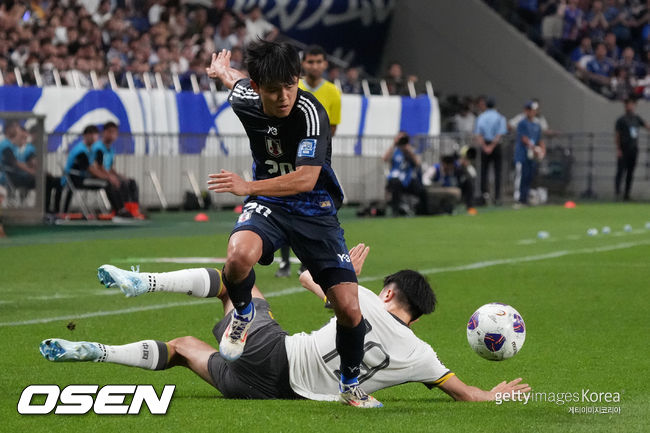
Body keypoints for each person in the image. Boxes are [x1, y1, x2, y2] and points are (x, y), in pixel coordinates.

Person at [44, 243, 531, 405]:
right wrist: (494, 394)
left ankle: (142, 283)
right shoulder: (425, 357)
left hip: (274, 354)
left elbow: (303, 276)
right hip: (269, 392)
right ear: (418, 316)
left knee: (235, 279)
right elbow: (468, 394)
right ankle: (100, 352)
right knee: (186, 346)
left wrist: (342, 274)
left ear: (388, 294)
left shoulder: (362, 298)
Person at [203, 42, 380, 407]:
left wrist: (247, 186)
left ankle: (350, 383)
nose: (284, 96)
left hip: (314, 209)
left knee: (349, 309)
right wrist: (222, 72)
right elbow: (235, 81)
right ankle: (244, 313)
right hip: (270, 203)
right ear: (257, 88)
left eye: (290, 85)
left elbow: (305, 179)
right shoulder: (244, 98)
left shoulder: (309, 110)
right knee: (237, 256)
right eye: (273, 89)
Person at [276, 45, 343, 278]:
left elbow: (331, 128)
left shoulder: (333, 92)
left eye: (318, 61)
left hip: (317, 160)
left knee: (314, 208)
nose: (314, 66)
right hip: (288, 158)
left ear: (325, 64)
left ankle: (310, 261)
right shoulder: (293, 87)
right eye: (310, 62)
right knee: (283, 205)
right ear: (303, 64)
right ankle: (284, 262)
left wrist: (313, 154)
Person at [61, 125, 126, 216]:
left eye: (95, 135)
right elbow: (91, 169)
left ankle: (123, 209)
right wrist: (108, 177)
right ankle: (119, 212)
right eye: (91, 134)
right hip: (75, 180)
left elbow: (94, 167)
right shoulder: (81, 151)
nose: (94, 137)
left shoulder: (89, 150)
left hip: (82, 178)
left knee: (115, 181)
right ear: (85, 136)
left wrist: (110, 176)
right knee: (107, 183)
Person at [91, 121, 145, 218]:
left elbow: (110, 168)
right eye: (110, 132)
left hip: (107, 174)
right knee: (117, 183)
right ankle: (120, 210)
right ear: (104, 133)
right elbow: (99, 167)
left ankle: (133, 209)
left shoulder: (111, 149)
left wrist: (119, 175)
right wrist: (111, 177)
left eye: (115, 133)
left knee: (130, 182)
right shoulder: (98, 147)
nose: (113, 135)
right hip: (98, 175)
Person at [474, 96, 507, 205]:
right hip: (496, 146)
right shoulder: (500, 117)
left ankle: (484, 196)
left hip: (485, 145)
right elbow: (499, 134)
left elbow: (479, 134)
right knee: (498, 173)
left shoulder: (481, 117)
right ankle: (497, 197)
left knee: (483, 172)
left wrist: (485, 147)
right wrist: (492, 146)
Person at [614, 97, 649, 200]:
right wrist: (618, 149)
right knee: (620, 171)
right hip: (623, 149)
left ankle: (627, 194)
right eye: (628, 104)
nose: (630, 106)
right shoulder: (621, 120)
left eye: (631, 104)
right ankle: (617, 192)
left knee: (630, 172)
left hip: (633, 149)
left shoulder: (636, 118)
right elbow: (617, 135)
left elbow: (646, 126)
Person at [383, 131, 425, 216]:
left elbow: (418, 163)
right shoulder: (395, 151)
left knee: (422, 190)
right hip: (396, 179)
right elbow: (384, 158)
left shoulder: (411, 150)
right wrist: (394, 144)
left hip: (408, 179)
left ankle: (422, 212)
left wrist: (409, 151)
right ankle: (395, 211)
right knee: (395, 185)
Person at [514, 101, 546, 206]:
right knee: (522, 176)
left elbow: (540, 139)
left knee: (530, 176)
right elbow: (524, 138)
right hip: (523, 154)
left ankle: (527, 197)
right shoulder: (522, 123)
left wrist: (542, 150)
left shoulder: (537, 124)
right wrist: (534, 147)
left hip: (533, 155)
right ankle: (520, 198)